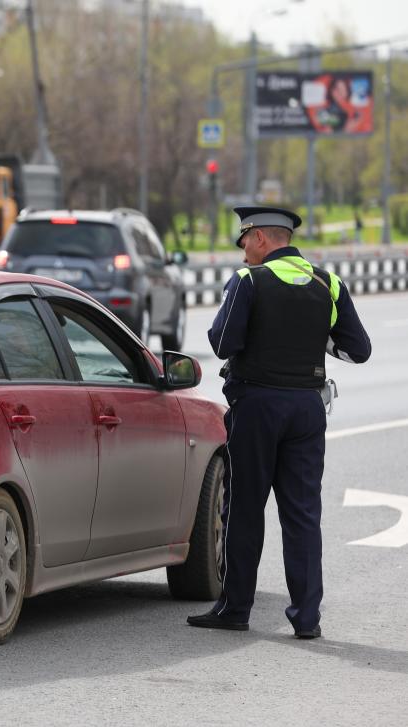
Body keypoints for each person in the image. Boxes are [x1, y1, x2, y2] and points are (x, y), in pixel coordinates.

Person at [187, 205, 371, 639]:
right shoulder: (328, 284)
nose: (243, 250)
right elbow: (357, 349)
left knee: (245, 509)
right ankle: (307, 619)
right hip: (307, 408)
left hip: (257, 406)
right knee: (303, 513)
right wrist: (312, 338)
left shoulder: (249, 281)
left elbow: (221, 342)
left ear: (262, 239)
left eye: (245, 240)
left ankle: (235, 609)